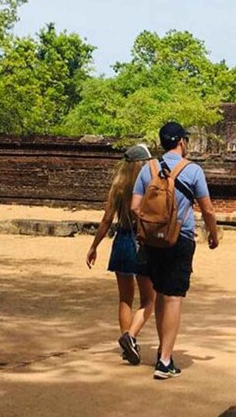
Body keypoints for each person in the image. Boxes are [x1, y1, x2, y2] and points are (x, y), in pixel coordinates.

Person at [131, 122, 220, 380]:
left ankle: (163, 351)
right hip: (179, 238)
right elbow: (208, 210)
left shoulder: (148, 169)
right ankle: (165, 360)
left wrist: (154, 223)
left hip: (151, 240)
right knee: (173, 297)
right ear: (182, 141)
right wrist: (213, 235)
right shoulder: (192, 170)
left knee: (159, 294)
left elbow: (135, 206)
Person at [86, 144, 156, 366]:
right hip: (141, 241)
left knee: (125, 298)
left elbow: (107, 220)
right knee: (148, 298)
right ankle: (130, 337)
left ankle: (128, 344)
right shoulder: (149, 184)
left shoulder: (117, 187)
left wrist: (94, 246)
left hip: (122, 241)